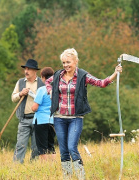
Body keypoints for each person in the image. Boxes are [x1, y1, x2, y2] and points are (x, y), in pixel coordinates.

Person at [45, 48, 123, 179]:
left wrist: (115, 73)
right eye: (63, 62)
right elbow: (47, 82)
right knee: (63, 151)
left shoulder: (82, 75)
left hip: (76, 117)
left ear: (76, 61)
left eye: (68, 62)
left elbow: (101, 83)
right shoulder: (58, 75)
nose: (66, 65)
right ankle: (67, 177)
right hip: (59, 117)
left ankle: (81, 176)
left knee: (71, 147)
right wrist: (50, 91)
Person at [12, 59, 44, 163]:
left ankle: (34, 167)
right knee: (20, 145)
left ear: (35, 71)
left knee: (36, 146)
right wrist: (20, 94)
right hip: (24, 119)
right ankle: (16, 167)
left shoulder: (42, 84)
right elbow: (13, 98)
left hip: (38, 119)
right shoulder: (20, 82)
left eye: (29, 69)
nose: (26, 71)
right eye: (25, 69)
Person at [31, 67, 56, 161]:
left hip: (41, 120)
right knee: (51, 145)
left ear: (43, 77)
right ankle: (52, 166)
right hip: (52, 120)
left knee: (42, 147)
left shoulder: (42, 89)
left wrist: (32, 108)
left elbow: (35, 107)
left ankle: (44, 167)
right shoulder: (55, 90)